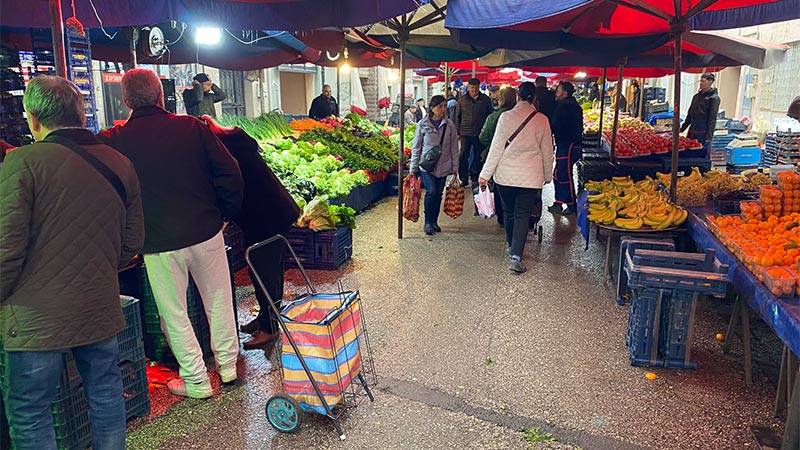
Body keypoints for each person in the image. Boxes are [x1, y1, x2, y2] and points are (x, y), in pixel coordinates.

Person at [0, 75, 144, 450]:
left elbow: (7, 249)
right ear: (80, 114)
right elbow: (132, 242)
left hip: (35, 316)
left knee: (31, 411)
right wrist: (96, 268)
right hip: (99, 303)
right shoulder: (120, 163)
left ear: (33, 119)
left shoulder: (23, 163)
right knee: (106, 393)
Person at [99, 68, 244, 399]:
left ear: (125, 101)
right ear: (162, 96)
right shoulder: (191, 127)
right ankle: (228, 367)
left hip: (159, 242)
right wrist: (225, 214)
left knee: (173, 313)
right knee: (219, 301)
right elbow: (230, 172)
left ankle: (196, 380)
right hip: (206, 231)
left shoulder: (118, 139)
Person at [202, 115, 301, 351]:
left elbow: (230, 190)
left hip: (267, 217)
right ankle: (268, 319)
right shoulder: (234, 142)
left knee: (264, 273)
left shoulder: (225, 155)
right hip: (273, 213)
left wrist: (224, 217)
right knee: (266, 272)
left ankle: (269, 329)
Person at [479, 82, 554, 274]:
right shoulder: (542, 120)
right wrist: (547, 175)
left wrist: (484, 175)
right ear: (534, 99)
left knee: (509, 212)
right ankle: (516, 256)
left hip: (505, 176)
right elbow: (548, 152)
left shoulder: (505, 117)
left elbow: (496, 148)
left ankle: (511, 245)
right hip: (530, 178)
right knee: (522, 214)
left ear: (518, 97)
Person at [409, 95, 459, 235]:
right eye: (440, 106)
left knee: (438, 194)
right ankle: (427, 222)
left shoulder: (449, 125)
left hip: (444, 165)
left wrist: (455, 167)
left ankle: (434, 221)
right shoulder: (422, 124)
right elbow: (417, 147)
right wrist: (413, 168)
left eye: (444, 106)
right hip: (427, 166)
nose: (443, 109)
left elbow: (454, 147)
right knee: (431, 191)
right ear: (432, 108)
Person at [479, 87, 517, 226]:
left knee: (499, 187)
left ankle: (502, 218)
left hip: (496, 158)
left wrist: (491, 144)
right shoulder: (521, 116)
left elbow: (482, 137)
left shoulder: (493, 117)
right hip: (517, 160)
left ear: (501, 100)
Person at [549, 82, 584, 215]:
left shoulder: (566, 107)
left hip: (567, 144)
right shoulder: (573, 106)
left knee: (564, 175)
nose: (556, 94)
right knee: (558, 173)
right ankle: (558, 202)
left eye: (558, 91)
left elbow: (556, 125)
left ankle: (570, 205)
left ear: (565, 93)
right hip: (568, 144)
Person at [455, 78, 495, 187]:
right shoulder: (462, 99)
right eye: (472, 87)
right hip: (465, 132)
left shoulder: (485, 99)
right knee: (463, 155)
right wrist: (457, 131)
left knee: (478, 155)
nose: (474, 90)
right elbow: (457, 116)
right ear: (468, 87)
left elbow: (490, 116)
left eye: (476, 87)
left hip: (480, 132)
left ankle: (475, 176)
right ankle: (463, 178)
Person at [680, 73, 720, 155]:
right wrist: (682, 128)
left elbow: (712, 118)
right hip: (693, 127)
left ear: (710, 82)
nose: (701, 83)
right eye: (700, 81)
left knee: (700, 153)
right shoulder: (696, 96)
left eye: (703, 81)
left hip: (703, 129)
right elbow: (690, 114)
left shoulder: (714, 98)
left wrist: (709, 136)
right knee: (688, 151)